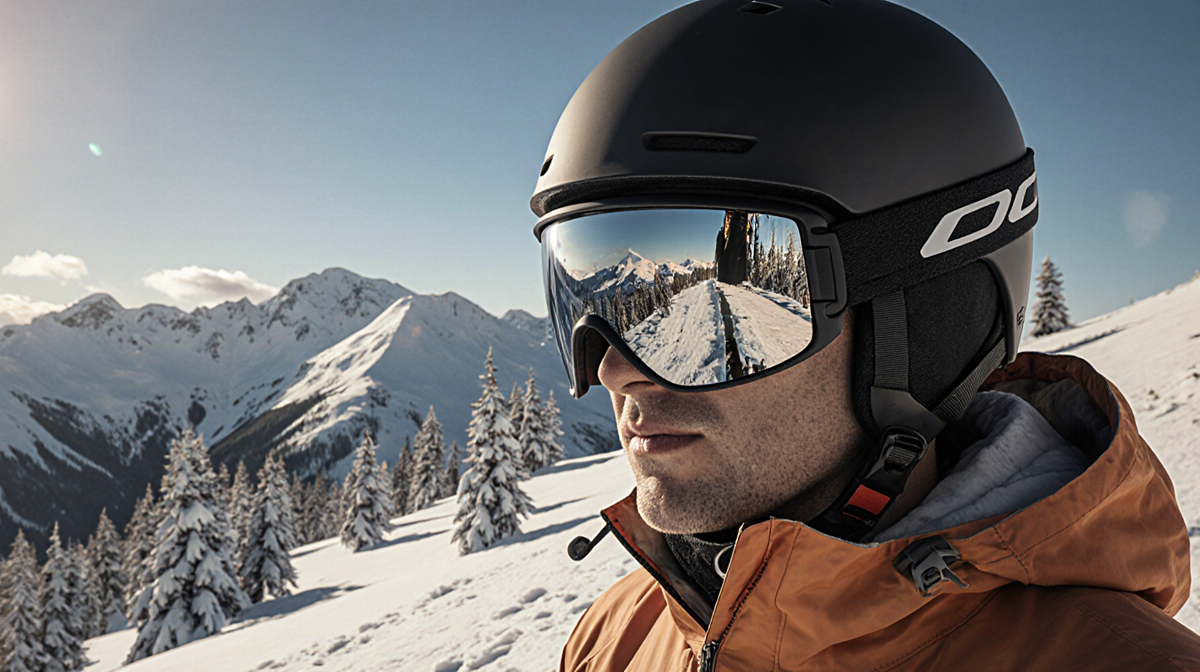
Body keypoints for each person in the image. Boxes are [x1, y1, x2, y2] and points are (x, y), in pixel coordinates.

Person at [529, 1, 1200, 670]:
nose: (612, 370)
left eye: (773, 285)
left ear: (929, 319)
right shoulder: (612, 639)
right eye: (581, 304)